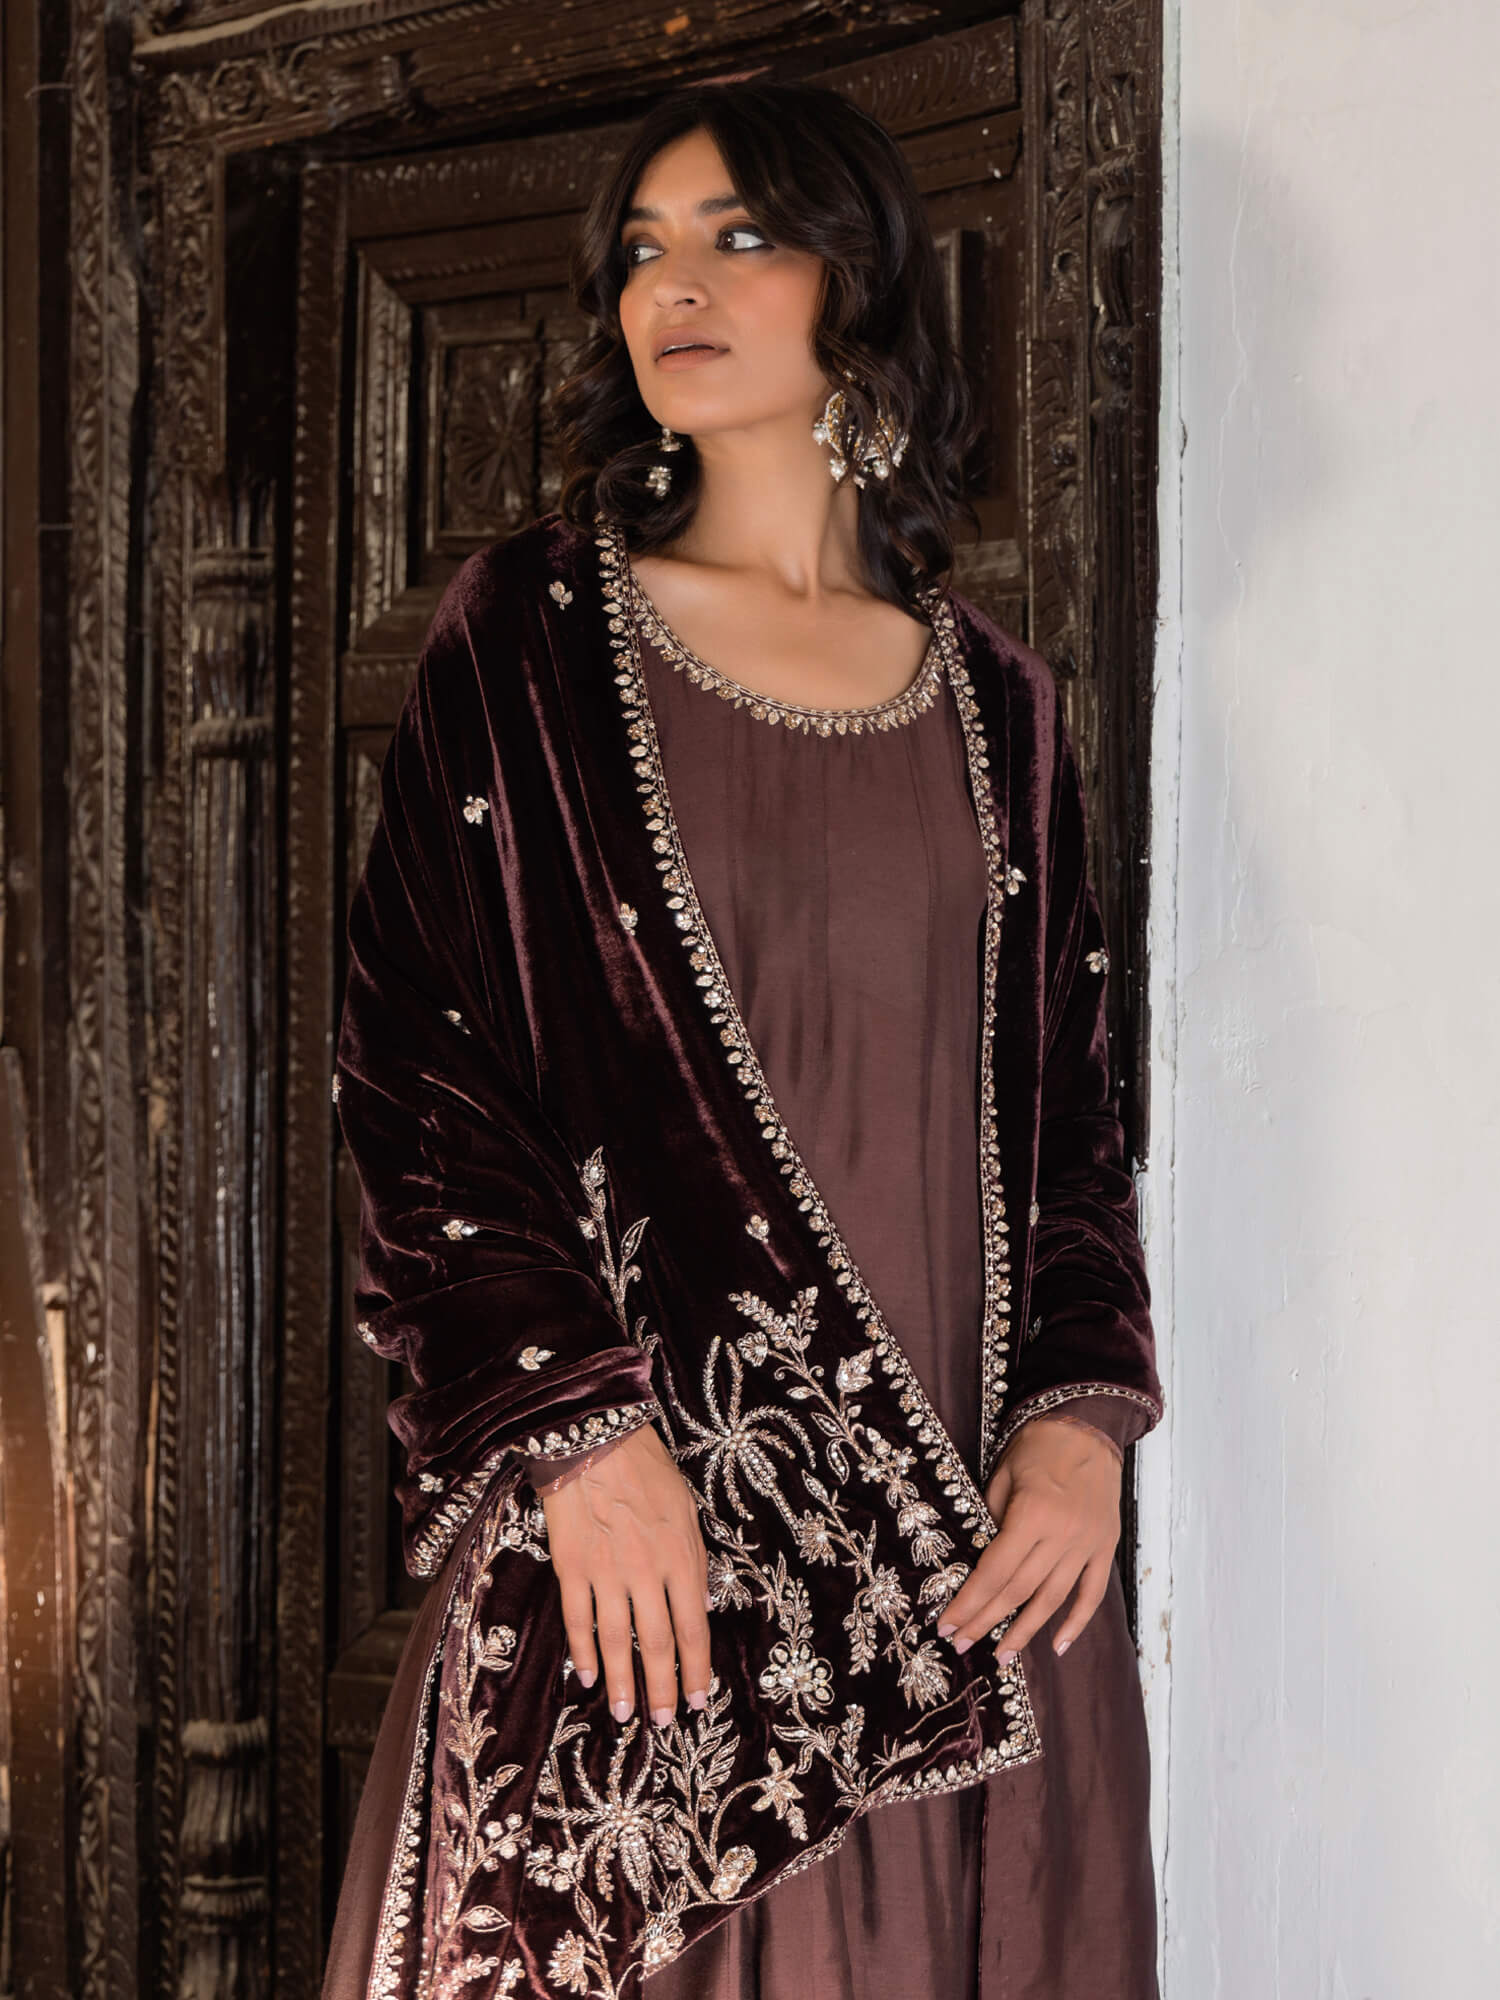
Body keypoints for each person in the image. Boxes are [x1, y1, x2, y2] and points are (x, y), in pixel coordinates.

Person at [323, 79, 1163, 2000]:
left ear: (858, 283)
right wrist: (575, 1435)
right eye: (643, 251)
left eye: (740, 237)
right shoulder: (533, 636)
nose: (673, 288)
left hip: (978, 1551)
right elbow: (421, 1075)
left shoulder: (1004, 708)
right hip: (664, 1537)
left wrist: (1081, 1423)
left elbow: (1073, 1125)